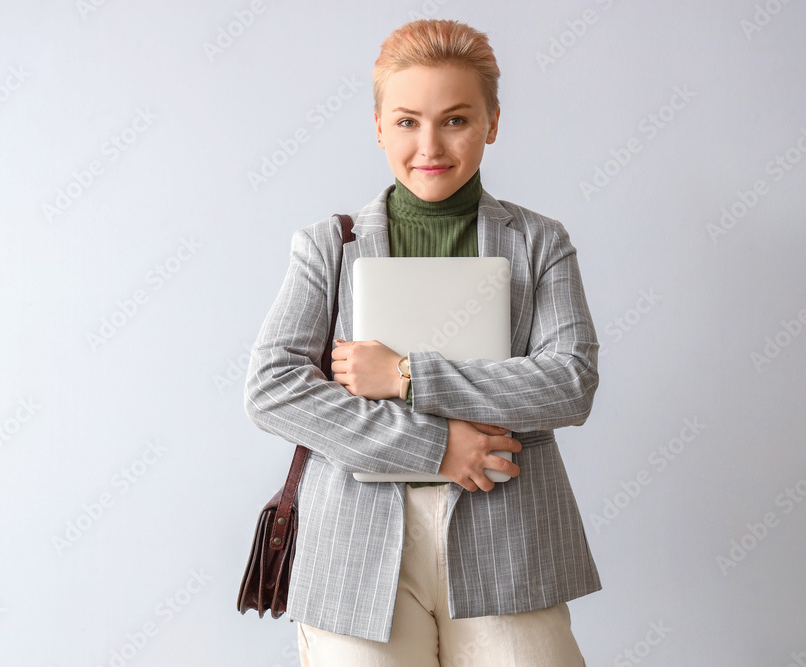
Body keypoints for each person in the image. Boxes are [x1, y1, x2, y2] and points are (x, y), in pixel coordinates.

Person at [245, 18, 600, 666]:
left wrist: (408, 375)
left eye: (456, 120)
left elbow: (570, 382)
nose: (429, 144)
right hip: (355, 546)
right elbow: (272, 388)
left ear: (492, 120)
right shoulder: (330, 245)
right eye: (407, 121)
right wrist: (438, 446)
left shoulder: (539, 241)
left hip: (509, 539)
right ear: (378, 125)